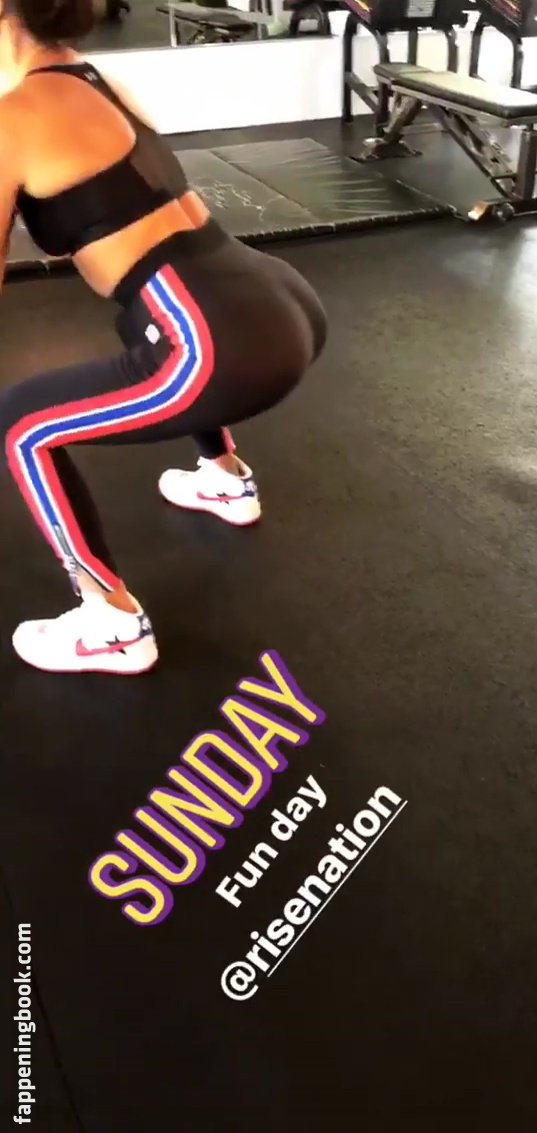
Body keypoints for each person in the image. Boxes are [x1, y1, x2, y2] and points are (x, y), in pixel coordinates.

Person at [0, 0, 327, 676]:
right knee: (140, 320)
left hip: (214, 344)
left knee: (21, 426)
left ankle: (112, 624)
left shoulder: (14, 118)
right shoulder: (92, 79)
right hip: (276, 299)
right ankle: (224, 478)